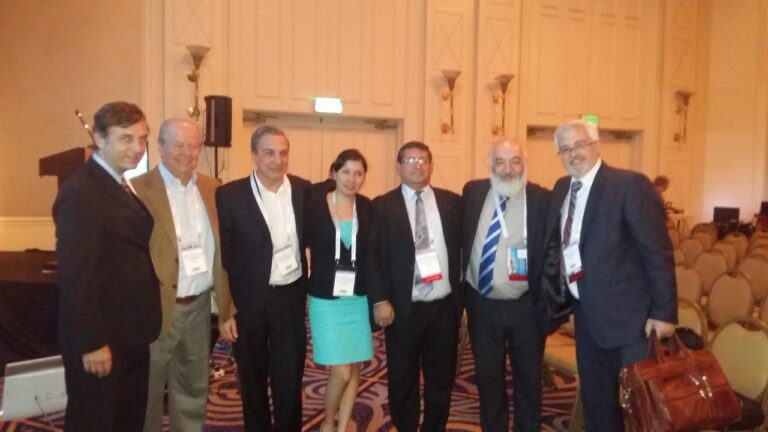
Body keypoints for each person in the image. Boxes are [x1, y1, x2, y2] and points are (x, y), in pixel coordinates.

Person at [545, 119, 677, 431]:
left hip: (631, 322)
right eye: (565, 149)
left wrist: (664, 312)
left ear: (597, 145)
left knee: (641, 410)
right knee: (597, 403)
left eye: (579, 145)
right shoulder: (562, 188)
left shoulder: (630, 185)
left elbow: (657, 251)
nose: (573, 154)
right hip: (586, 316)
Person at [53, 101, 161, 431]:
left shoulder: (117, 182)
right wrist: (92, 342)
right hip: (103, 338)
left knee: (126, 419)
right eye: (126, 138)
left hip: (129, 332)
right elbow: (76, 276)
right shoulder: (81, 192)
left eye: (142, 139)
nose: (137, 148)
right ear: (99, 138)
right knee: (95, 421)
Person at [131, 118, 236, 431]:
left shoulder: (213, 188)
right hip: (156, 308)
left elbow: (223, 251)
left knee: (193, 389)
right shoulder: (137, 190)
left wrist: (227, 309)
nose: (187, 153)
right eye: (178, 145)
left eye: (194, 146)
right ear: (160, 147)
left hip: (198, 307)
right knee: (147, 391)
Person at [216, 125, 311, 431]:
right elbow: (224, 257)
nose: (277, 160)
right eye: (269, 153)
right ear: (254, 155)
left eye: (283, 153)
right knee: (252, 377)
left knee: (290, 376)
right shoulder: (229, 195)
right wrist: (226, 310)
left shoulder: (303, 190)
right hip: (249, 300)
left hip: (290, 297)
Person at [368, 141, 462, 432]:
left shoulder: (452, 202)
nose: (417, 165)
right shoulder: (382, 205)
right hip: (402, 308)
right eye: (410, 160)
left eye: (423, 160)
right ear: (398, 167)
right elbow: (373, 257)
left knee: (441, 378)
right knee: (402, 378)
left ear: (431, 165)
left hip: (443, 308)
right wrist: (380, 299)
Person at [461, 139, 550, 431]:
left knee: (529, 380)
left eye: (515, 161)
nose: (508, 169)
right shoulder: (473, 192)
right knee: (488, 380)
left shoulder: (541, 199)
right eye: (500, 162)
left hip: (526, 308)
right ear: (490, 165)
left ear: (525, 164)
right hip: (482, 305)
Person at [306, 149, 374, 432]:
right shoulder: (314, 205)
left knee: (355, 367)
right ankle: (328, 421)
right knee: (342, 371)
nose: (352, 179)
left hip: (358, 298)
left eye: (358, 173)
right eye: (346, 172)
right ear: (333, 173)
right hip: (326, 299)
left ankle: (343, 426)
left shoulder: (367, 207)